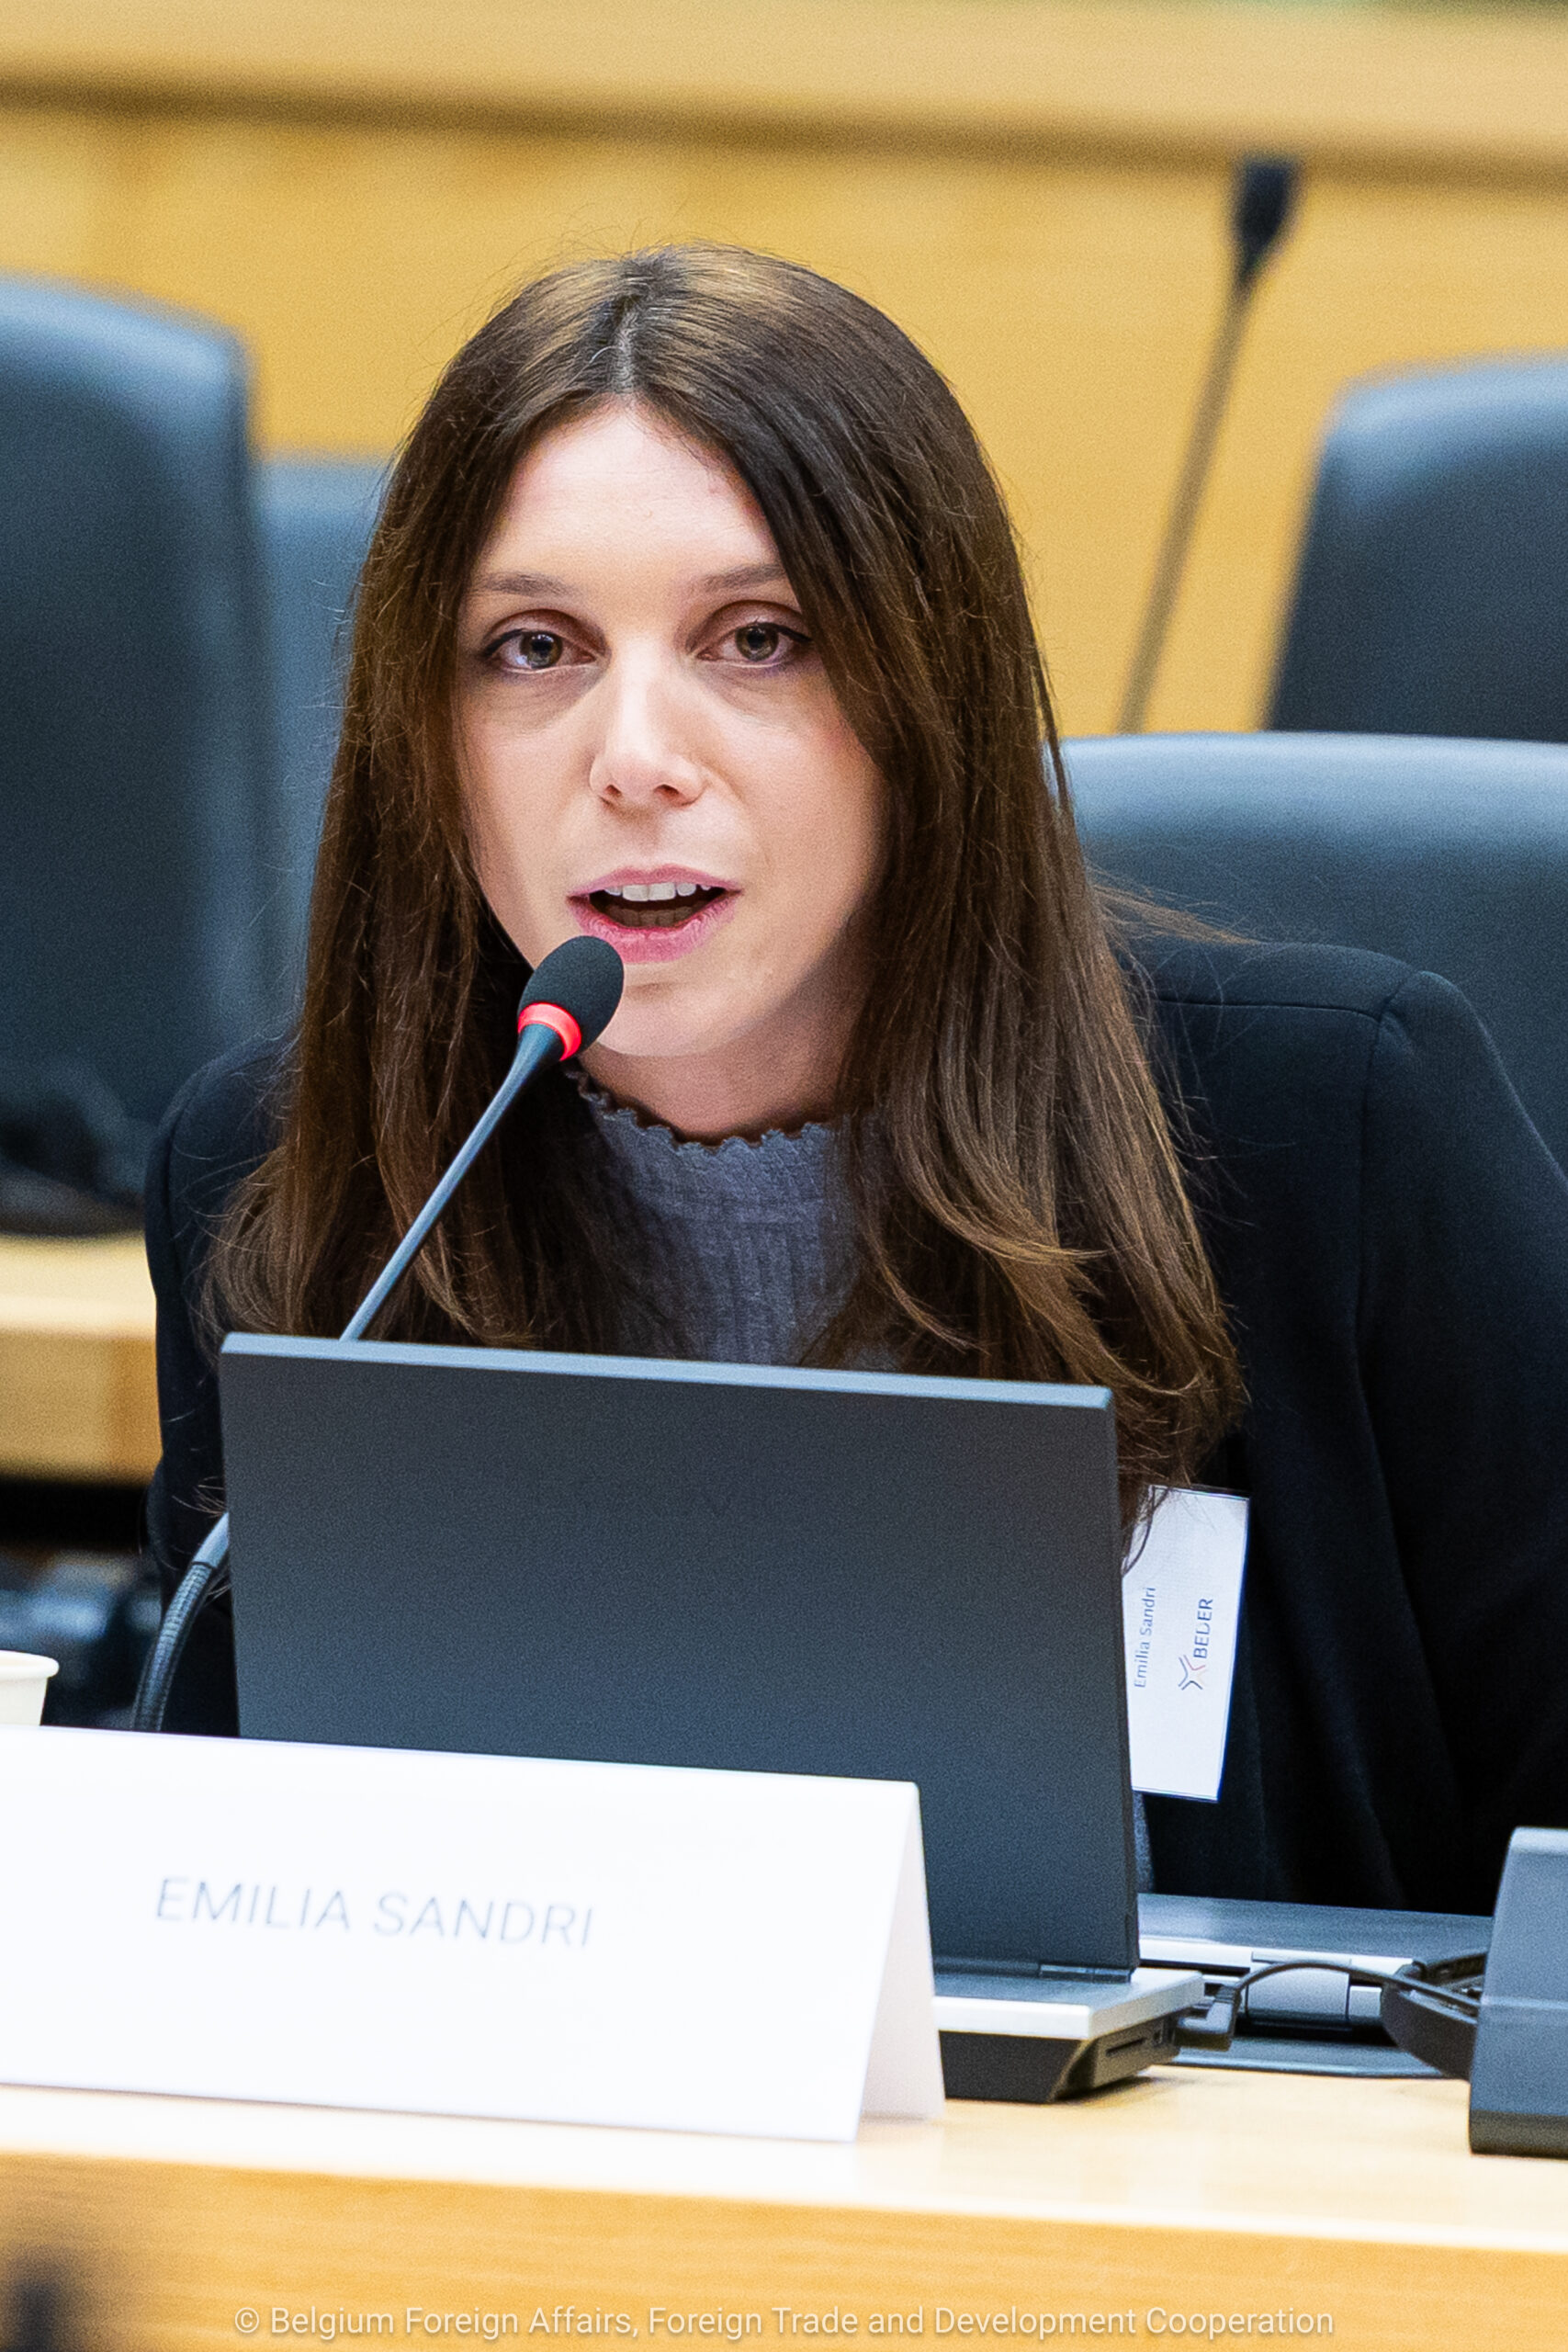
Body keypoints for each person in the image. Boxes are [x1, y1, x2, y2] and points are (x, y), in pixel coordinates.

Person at [145, 244, 1568, 1916]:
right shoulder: (294, 1186)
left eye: (758, 640)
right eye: (534, 648)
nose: (635, 759)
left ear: (926, 701)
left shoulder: (1339, 1143)